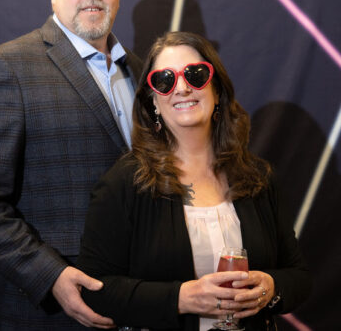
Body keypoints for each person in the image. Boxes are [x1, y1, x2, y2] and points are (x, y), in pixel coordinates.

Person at [0, 0, 143, 330]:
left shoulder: (142, 72)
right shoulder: (8, 67)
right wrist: (49, 275)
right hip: (47, 312)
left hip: (138, 300)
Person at [78, 31, 311, 331]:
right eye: (165, 80)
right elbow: (96, 290)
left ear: (217, 90)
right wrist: (180, 299)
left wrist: (270, 287)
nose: (182, 88)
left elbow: (299, 277)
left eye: (195, 75)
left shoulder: (257, 178)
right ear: (153, 102)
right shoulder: (123, 184)